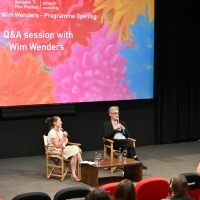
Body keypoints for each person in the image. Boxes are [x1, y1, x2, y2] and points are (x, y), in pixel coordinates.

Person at [45, 116, 82, 181]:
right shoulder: (52, 132)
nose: (61, 122)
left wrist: (64, 143)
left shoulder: (60, 130)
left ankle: (74, 174)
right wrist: (64, 138)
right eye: (60, 121)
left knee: (75, 152)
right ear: (55, 123)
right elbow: (57, 145)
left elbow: (66, 140)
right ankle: (82, 164)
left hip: (62, 148)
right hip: (55, 150)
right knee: (75, 149)